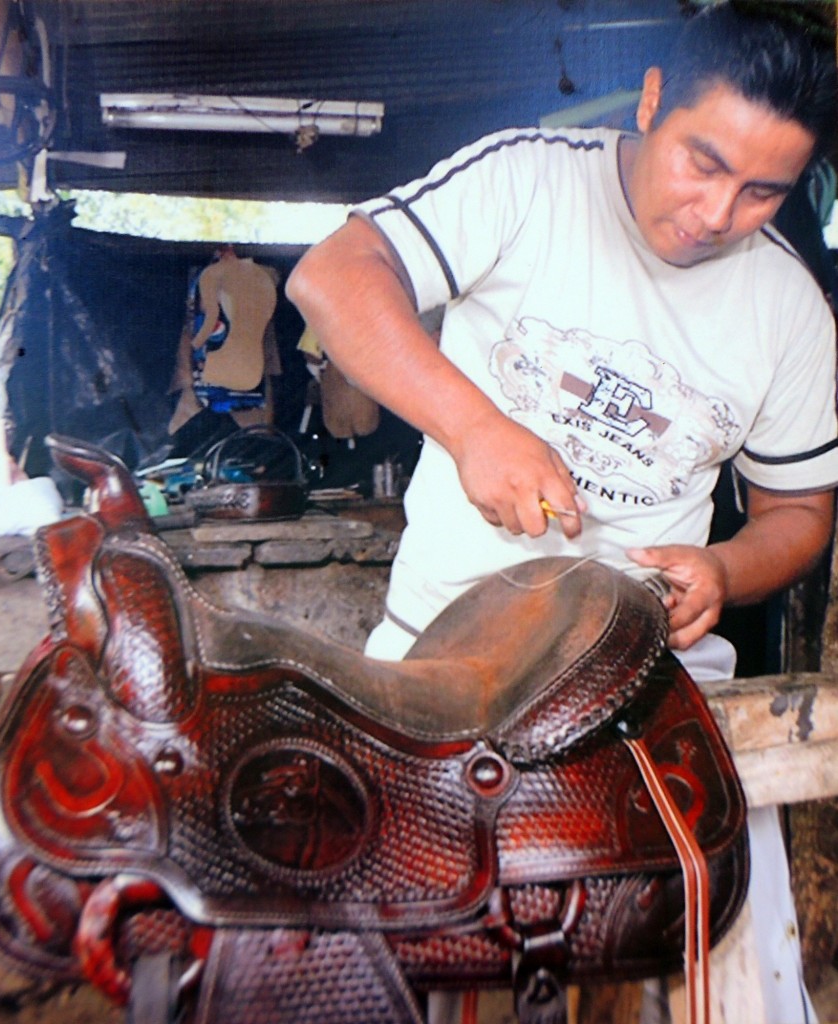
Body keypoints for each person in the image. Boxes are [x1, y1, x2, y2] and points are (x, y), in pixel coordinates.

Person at [287, 4, 838, 1022]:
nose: (714, 211)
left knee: (736, 946)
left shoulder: (789, 309)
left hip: (651, 674)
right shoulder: (525, 178)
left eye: (761, 190)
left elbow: (797, 508)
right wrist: (473, 429)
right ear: (651, 100)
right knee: (357, 938)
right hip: (442, 649)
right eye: (699, 162)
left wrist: (724, 570)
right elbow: (331, 276)